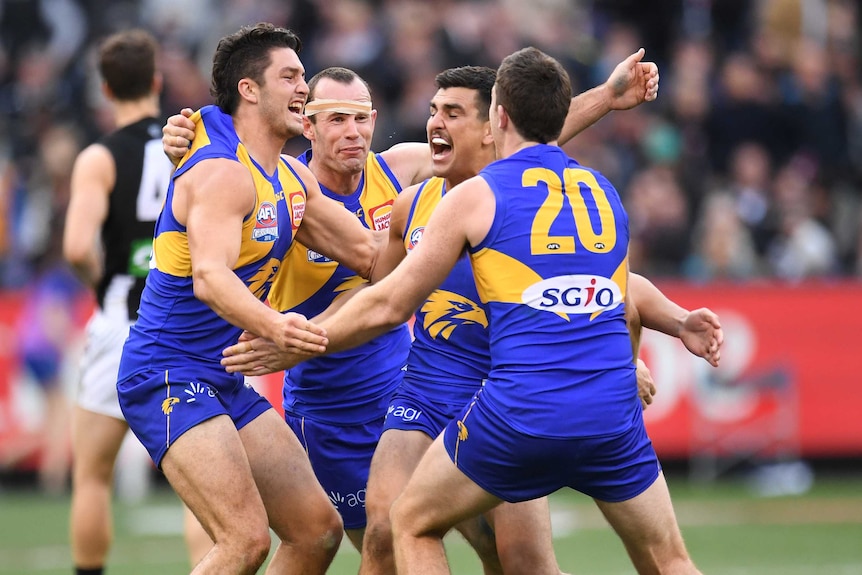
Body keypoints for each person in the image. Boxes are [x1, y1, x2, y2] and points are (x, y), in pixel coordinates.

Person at [162, 48, 663, 570]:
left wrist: (606, 97)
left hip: (411, 387)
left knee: (507, 550)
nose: (352, 131)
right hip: (330, 405)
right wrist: (189, 144)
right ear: (306, 123)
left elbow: (510, 148)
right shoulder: (283, 187)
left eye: (361, 118)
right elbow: (225, 181)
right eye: (335, 119)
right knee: (367, 540)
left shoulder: (402, 172)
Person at [115, 22, 389, 575]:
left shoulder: (290, 177)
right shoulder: (220, 172)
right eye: (289, 76)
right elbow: (210, 280)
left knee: (317, 532)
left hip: (221, 377)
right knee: (243, 542)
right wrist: (278, 327)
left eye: (303, 77)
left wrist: (452, 230)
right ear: (248, 89)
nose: (303, 89)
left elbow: (374, 255)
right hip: (166, 374)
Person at [62, 29, 174, 575]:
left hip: (121, 324)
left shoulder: (100, 157)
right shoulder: (195, 147)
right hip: (188, 329)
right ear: (157, 81)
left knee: (92, 474)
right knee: (208, 486)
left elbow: (77, 246)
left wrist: (100, 280)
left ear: (106, 89)